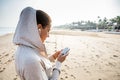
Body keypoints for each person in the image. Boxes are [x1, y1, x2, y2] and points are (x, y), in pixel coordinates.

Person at [13, 7, 69, 80]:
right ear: (39, 28)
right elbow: (35, 63)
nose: (48, 35)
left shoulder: (23, 49)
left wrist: (53, 57)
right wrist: (58, 63)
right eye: (48, 30)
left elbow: (40, 66)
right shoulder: (31, 61)